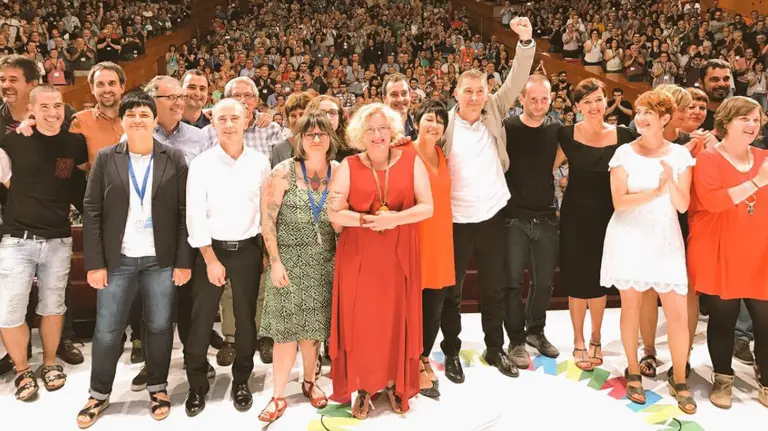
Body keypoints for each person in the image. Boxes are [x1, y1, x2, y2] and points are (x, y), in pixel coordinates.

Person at [78, 91, 193, 427]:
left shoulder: (174, 158)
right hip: (118, 260)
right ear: (123, 121)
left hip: (161, 259)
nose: (138, 120)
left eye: (144, 114)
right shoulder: (105, 157)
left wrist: (183, 261)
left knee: (158, 326)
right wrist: (95, 262)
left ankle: (158, 387)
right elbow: (92, 209)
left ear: (155, 120)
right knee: (107, 330)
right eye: (131, 115)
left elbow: (185, 213)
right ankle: (98, 393)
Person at [440, 17, 535, 383]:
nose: (476, 96)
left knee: (493, 289)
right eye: (468, 91)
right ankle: (451, 352)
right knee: (453, 291)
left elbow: (517, 78)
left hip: (493, 215)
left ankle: (494, 348)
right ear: (456, 93)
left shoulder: (494, 110)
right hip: (456, 219)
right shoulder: (442, 125)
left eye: (480, 90)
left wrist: (524, 42)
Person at [327, 103, 433, 419]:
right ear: (361, 133)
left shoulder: (411, 162)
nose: (377, 135)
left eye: (382, 128)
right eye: (370, 129)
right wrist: (366, 221)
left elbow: (427, 207)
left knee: (394, 320)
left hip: (398, 257)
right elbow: (334, 211)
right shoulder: (347, 165)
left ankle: (394, 383)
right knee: (361, 323)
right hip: (359, 256)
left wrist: (395, 219)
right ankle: (363, 386)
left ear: (392, 132)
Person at [600, 90, 696, 414]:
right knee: (630, 307)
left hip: (665, 238)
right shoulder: (623, 154)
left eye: (648, 113)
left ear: (664, 118)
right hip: (628, 236)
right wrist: (655, 191)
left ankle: (680, 378)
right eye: (639, 112)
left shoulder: (681, 156)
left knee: (679, 315)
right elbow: (618, 202)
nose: (640, 118)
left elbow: (682, 205)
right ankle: (633, 370)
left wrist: (670, 182)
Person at [184, 98, 270, 416]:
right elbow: (194, 214)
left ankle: (241, 381)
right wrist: (209, 258)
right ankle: (196, 385)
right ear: (213, 122)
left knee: (246, 322)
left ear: (246, 121)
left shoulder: (260, 162)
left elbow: (264, 211)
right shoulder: (201, 163)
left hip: (248, 250)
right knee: (201, 321)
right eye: (223, 119)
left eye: (235, 118)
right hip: (211, 250)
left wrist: (264, 251)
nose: (229, 124)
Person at [0, 85, 87, 401]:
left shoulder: (75, 144)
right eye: (45, 107)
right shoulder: (12, 140)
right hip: (17, 240)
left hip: (58, 239)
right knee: (10, 311)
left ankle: (50, 364)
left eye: (59, 106)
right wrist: (23, 126)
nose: (53, 113)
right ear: (32, 110)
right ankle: (23, 371)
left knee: (52, 307)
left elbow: (75, 182)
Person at [257, 112, 339, 422]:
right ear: (300, 139)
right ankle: (277, 395)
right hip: (288, 262)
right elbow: (267, 219)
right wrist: (275, 261)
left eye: (321, 133)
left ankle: (309, 381)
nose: (316, 138)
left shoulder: (339, 171)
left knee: (314, 332)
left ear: (330, 138)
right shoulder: (283, 172)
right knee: (285, 334)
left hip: (324, 262)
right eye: (309, 134)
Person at [688, 96, 768, 410]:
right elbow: (713, 201)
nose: (752, 124)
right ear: (726, 122)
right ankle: (723, 377)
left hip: (759, 249)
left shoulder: (764, 156)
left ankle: (765, 381)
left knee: (765, 320)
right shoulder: (708, 158)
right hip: (720, 248)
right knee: (723, 318)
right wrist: (757, 182)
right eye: (744, 119)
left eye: (756, 118)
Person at [556, 78, 636, 372]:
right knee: (577, 280)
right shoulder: (565, 134)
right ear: (577, 106)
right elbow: (546, 168)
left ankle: (597, 338)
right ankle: (578, 340)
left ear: (607, 101)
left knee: (599, 279)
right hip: (575, 214)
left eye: (598, 99)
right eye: (586, 101)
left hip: (609, 216)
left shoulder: (624, 135)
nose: (593, 106)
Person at [502, 74, 561, 372]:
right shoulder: (508, 128)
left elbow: (559, 162)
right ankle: (515, 339)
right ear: (521, 98)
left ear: (551, 98)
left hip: (547, 216)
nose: (539, 104)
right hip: (514, 217)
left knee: (544, 283)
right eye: (533, 98)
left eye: (544, 98)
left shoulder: (558, 129)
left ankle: (535, 331)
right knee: (512, 283)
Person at [397, 99, 454, 398]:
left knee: (433, 309)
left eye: (440, 121)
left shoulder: (443, 155)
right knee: (408, 308)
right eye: (429, 119)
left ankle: (422, 359)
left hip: (441, 243)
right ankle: (405, 363)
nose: (434, 125)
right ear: (417, 121)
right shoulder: (402, 152)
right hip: (411, 242)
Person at [270, 91, 314, 166]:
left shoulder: (321, 145)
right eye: (293, 116)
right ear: (287, 119)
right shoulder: (279, 149)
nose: (298, 119)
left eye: (302, 114)